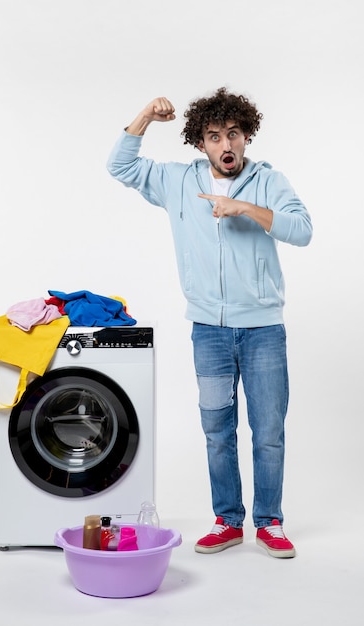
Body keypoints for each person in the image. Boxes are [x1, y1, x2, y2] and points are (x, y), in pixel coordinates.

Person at [107, 87, 312, 559]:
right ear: (201, 143)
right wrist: (143, 115)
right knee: (217, 431)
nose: (226, 144)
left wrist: (248, 210)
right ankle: (227, 520)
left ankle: (270, 523)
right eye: (215, 136)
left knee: (269, 432)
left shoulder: (268, 181)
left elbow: (301, 230)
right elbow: (120, 167)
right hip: (209, 333)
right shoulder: (177, 181)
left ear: (246, 137)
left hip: (263, 331)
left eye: (234, 135)